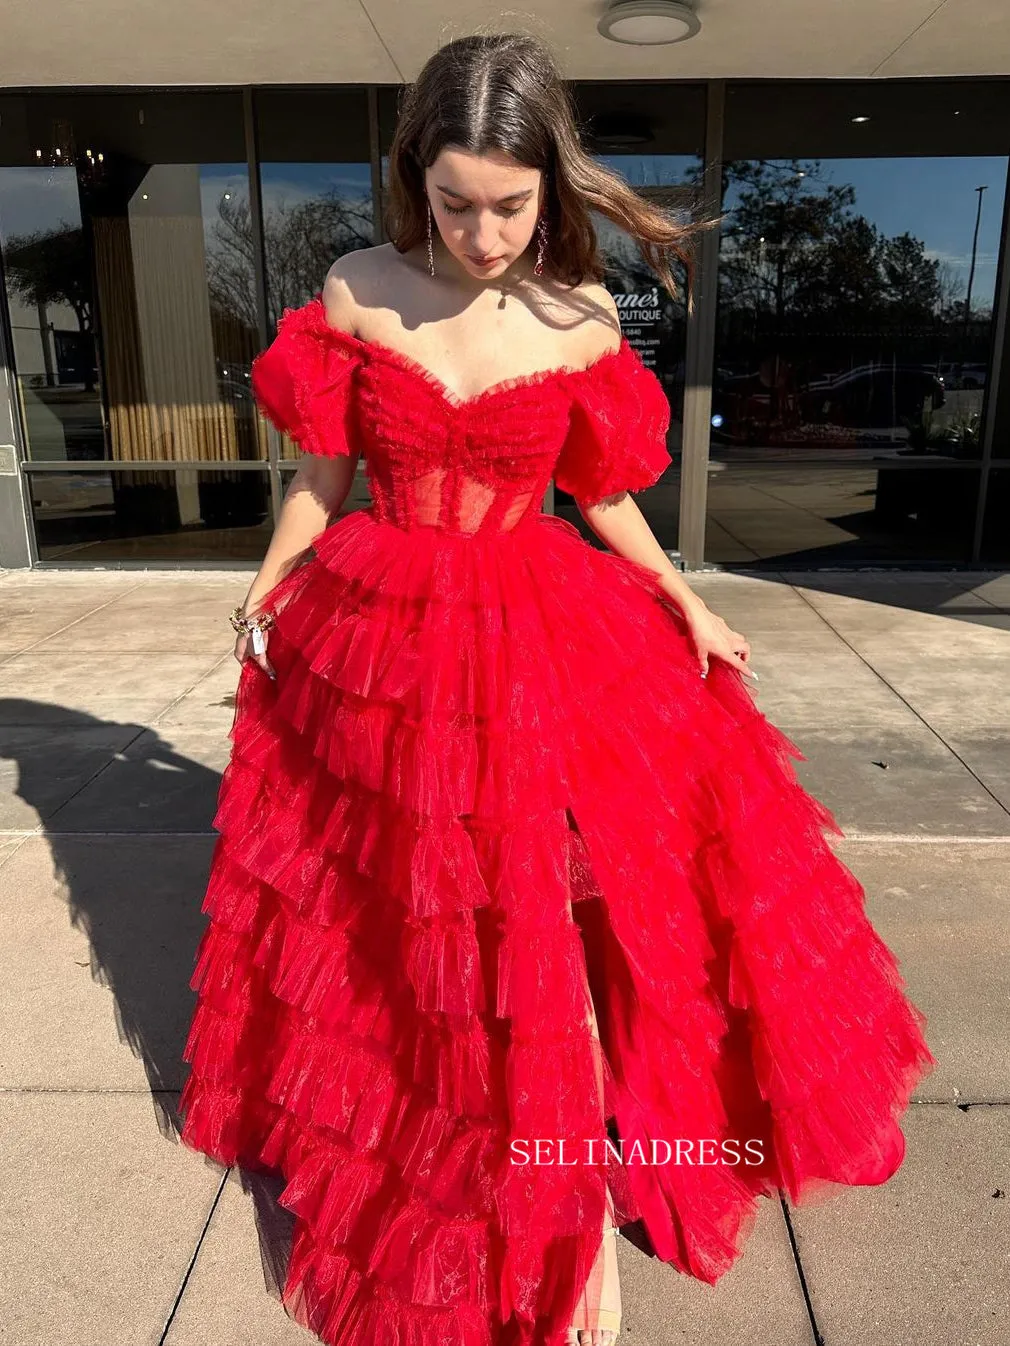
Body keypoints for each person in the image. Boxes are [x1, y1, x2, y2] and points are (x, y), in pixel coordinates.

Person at [178, 31, 937, 1346]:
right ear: (417, 174)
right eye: (456, 200)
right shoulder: (356, 289)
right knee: (410, 928)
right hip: (387, 634)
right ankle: (462, 1153)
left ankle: (575, 1227)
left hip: (545, 631)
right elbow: (321, 481)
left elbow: (605, 492)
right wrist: (264, 588)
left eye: (510, 205)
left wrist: (685, 595)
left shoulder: (579, 317)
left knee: (572, 914)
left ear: (552, 188)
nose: (481, 232)